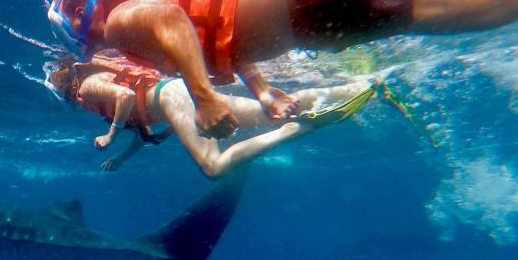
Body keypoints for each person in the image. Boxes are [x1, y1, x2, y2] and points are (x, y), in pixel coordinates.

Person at [47, 0, 518, 138]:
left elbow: (170, 19)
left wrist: (208, 98)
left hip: (314, 4)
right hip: (313, 4)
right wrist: (264, 90)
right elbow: (223, 31)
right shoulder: (128, 27)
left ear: (77, 14)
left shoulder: (120, 23)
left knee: (486, 9)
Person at [44, 50, 376, 178]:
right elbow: (142, 131)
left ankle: (301, 129)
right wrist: (122, 158)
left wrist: (110, 135)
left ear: (64, 89)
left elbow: (127, 95)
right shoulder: (96, 90)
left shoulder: (87, 89)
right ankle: (358, 87)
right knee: (269, 113)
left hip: (174, 98)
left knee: (214, 167)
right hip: (178, 95)